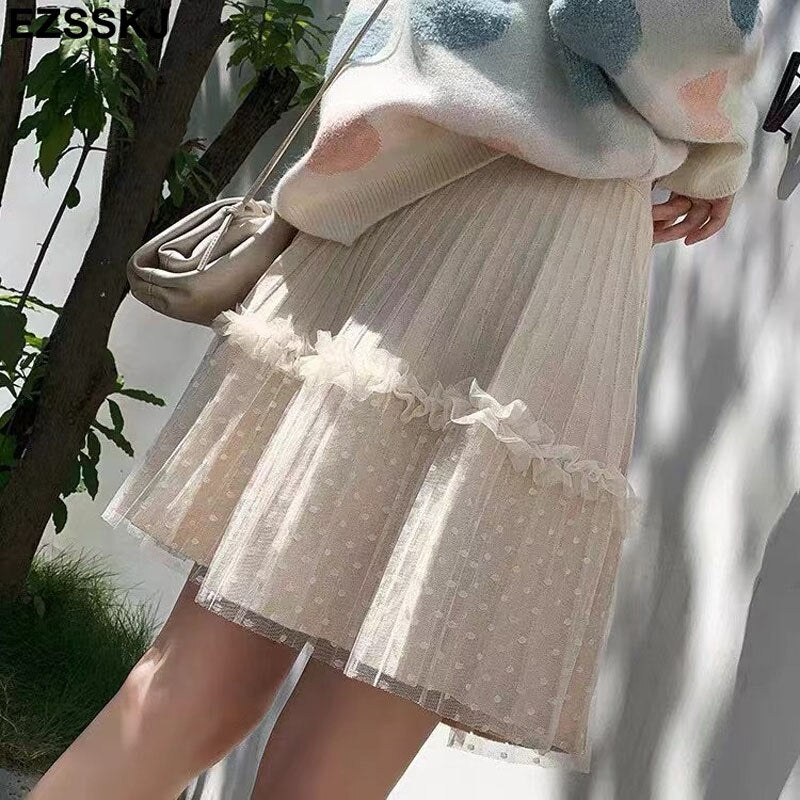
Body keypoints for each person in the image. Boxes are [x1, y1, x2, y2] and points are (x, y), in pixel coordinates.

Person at [31, 1, 764, 798]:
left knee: (195, 690)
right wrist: (720, 142)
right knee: (337, 754)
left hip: (390, 193)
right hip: (536, 232)